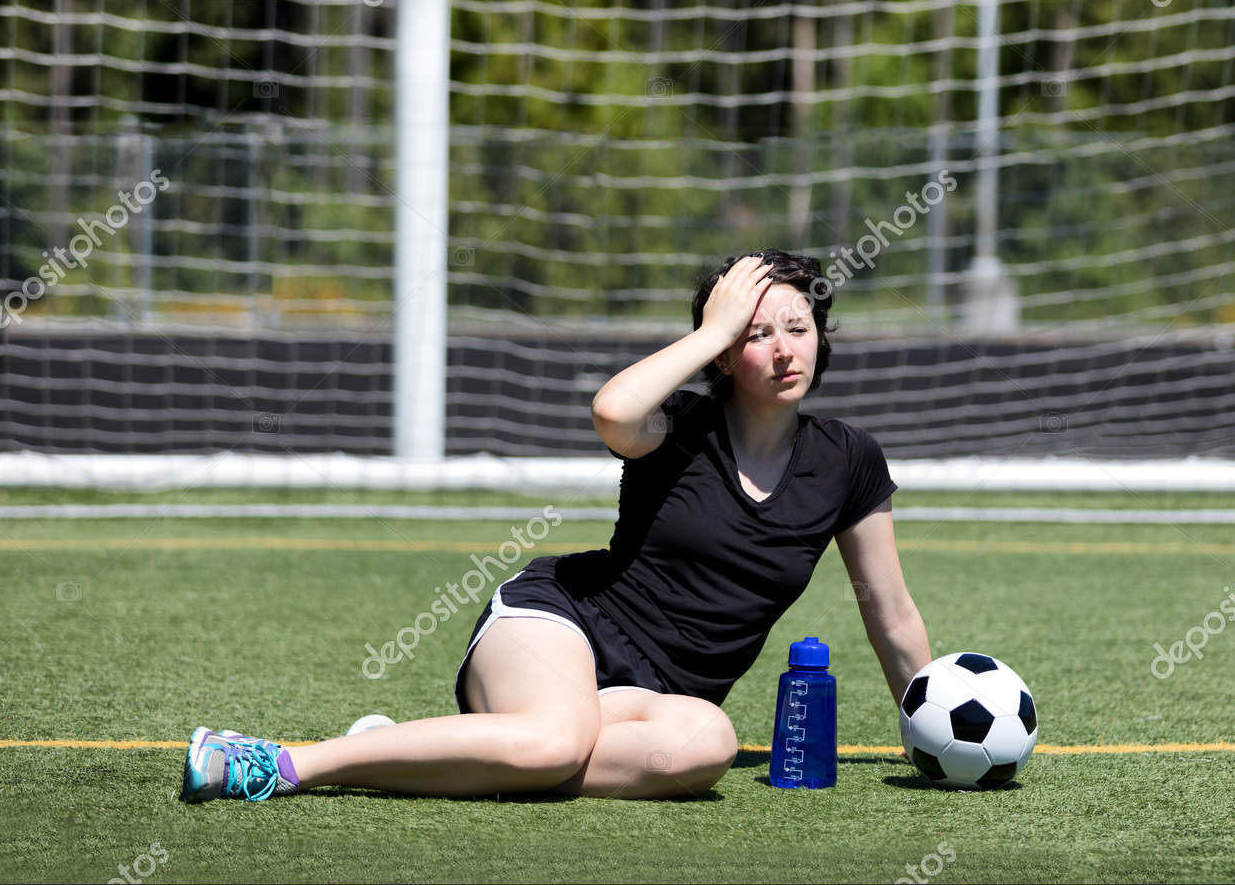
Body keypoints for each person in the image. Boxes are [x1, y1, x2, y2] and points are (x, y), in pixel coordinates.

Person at [179, 250, 932, 802]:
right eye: (756, 333)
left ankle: (414, 748)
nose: (782, 348)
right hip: (560, 620)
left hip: (659, 697)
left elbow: (888, 609)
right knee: (555, 740)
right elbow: (611, 411)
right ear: (727, 352)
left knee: (707, 746)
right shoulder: (677, 426)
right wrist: (712, 330)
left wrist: (925, 725)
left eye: (796, 328)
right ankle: (283, 763)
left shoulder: (848, 460)